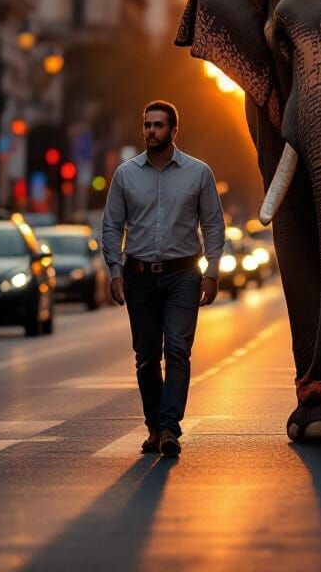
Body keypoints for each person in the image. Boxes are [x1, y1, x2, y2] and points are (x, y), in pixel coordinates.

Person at [101, 100, 225, 458]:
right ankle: (154, 426)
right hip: (138, 275)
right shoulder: (126, 175)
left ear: (174, 131)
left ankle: (170, 427)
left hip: (183, 275)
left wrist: (212, 272)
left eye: (158, 125)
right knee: (145, 355)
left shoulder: (198, 173)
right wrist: (114, 271)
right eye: (147, 125)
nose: (151, 131)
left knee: (177, 350)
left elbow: (213, 225)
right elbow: (111, 226)